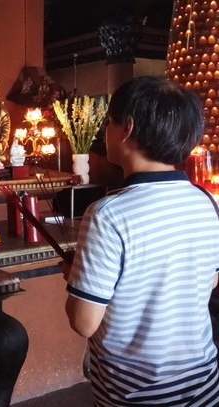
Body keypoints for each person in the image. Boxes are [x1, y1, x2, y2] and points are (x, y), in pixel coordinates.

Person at [63, 75, 219, 406]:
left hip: (135, 392)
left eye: (109, 123)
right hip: (203, 382)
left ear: (126, 128)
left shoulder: (108, 214)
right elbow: (207, 281)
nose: (106, 131)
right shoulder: (207, 203)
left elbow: (83, 322)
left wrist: (83, 281)